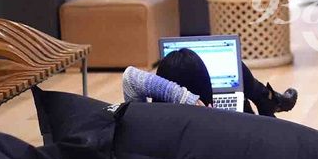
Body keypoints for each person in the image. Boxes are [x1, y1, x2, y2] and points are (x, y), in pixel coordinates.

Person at [123, 48, 297, 117]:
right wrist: (188, 100)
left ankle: (266, 99)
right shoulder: (219, 134)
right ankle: (268, 99)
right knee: (236, 75)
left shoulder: (142, 122)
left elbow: (130, 79)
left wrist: (181, 98)